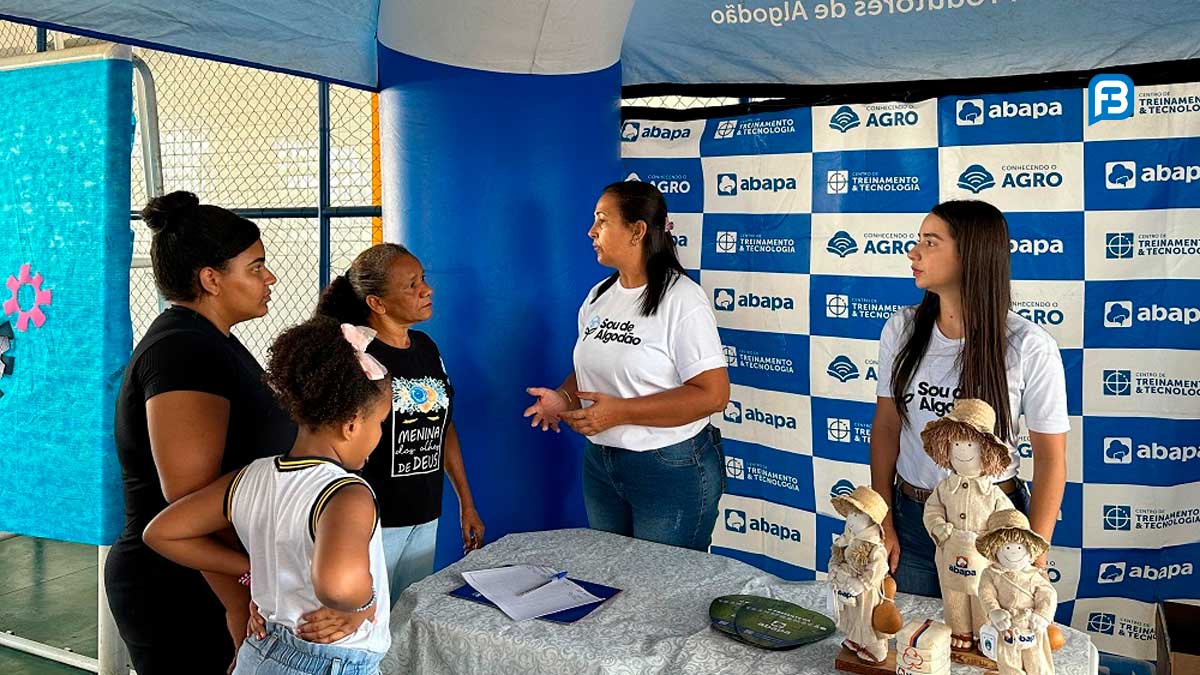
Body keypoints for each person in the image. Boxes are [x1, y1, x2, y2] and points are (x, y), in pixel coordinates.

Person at [108, 191, 298, 673]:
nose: (269, 277)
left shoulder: (211, 342)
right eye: (255, 267)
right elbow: (187, 496)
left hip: (214, 575)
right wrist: (237, 598)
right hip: (182, 585)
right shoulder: (183, 352)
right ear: (211, 279)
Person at [144, 317, 393, 675]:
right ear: (351, 423)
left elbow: (162, 532)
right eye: (380, 423)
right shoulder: (346, 493)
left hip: (260, 650)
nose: (379, 434)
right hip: (329, 661)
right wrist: (360, 606)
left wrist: (253, 569)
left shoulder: (251, 476)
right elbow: (337, 585)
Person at [868, 199, 1069, 598]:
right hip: (914, 519)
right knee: (916, 647)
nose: (914, 252)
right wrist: (884, 518)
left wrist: (1033, 552)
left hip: (994, 523)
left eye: (931, 242)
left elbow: (1051, 459)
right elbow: (887, 426)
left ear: (970, 254)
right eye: (917, 240)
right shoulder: (902, 328)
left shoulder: (1029, 345)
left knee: (988, 651)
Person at [523, 181, 730, 551]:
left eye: (602, 220)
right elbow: (591, 371)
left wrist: (621, 413)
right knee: (614, 581)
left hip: (670, 467)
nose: (591, 231)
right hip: (602, 464)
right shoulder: (599, 295)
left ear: (637, 231)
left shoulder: (682, 299)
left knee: (663, 591)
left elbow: (713, 395)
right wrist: (564, 397)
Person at [315, 243, 484, 605]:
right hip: (370, 522)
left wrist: (465, 503)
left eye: (423, 279)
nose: (427, 289)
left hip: (424, 515)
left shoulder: (426, 347)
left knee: (406, 614)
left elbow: (444, 428)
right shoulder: (357, 355)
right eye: (411, 285)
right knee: (365, 619)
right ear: (377, 303)